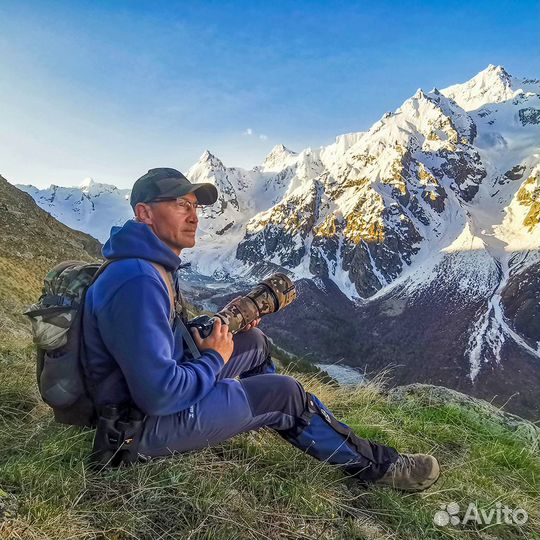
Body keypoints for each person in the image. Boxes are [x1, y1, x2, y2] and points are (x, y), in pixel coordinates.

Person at [82, 167, 440, 491]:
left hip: (142, 399)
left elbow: (154, 342)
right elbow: (160, 395)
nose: (194, 217)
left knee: (252, 340)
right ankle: (379, 468)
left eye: (195, 206)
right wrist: (212, 358)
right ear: (144, 213)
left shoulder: (151, 265)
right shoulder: (138, 280)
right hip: (134, 428)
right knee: (283, 392)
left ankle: (276, 416)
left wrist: (212, 331)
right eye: (180, 205)